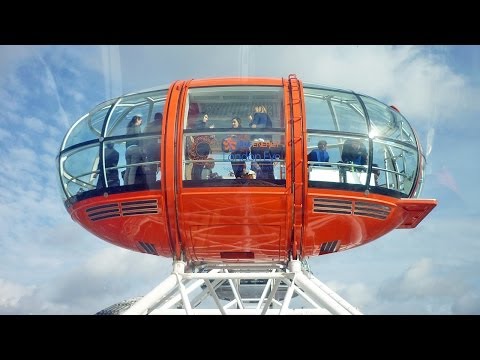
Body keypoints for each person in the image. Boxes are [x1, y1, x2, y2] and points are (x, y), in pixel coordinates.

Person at [189, 113, 215, 180]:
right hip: (200, 150)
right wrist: (209, 130)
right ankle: (197, 181)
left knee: (199, 167)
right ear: (202, 117)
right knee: (198, 167)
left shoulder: (202, 126)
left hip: (202, 150)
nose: (207, 119)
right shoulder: (200, 125)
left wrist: (211, 136)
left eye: (207, 117)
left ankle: (197, 180)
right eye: (205, 117)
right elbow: (200, 135)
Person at [124, 115, 146, 185]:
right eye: (140, 120)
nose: (141, 122)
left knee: (128, 169)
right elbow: (140, 139)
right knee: (133, 170)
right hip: (135, 149)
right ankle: (131, 185)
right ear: (137, 120)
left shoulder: (129, 128)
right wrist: (142, 150)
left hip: (128, 150)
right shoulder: (137, 128)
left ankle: (125, 184)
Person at [143, 112, 162, 187]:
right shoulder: (163, 124)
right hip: (161, 149)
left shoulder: (148, 126)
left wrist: (145, 148)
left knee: (152, 168)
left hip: (150, 149)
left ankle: (152, 184)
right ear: (161, 118)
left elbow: (144, 137)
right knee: (164, 166)